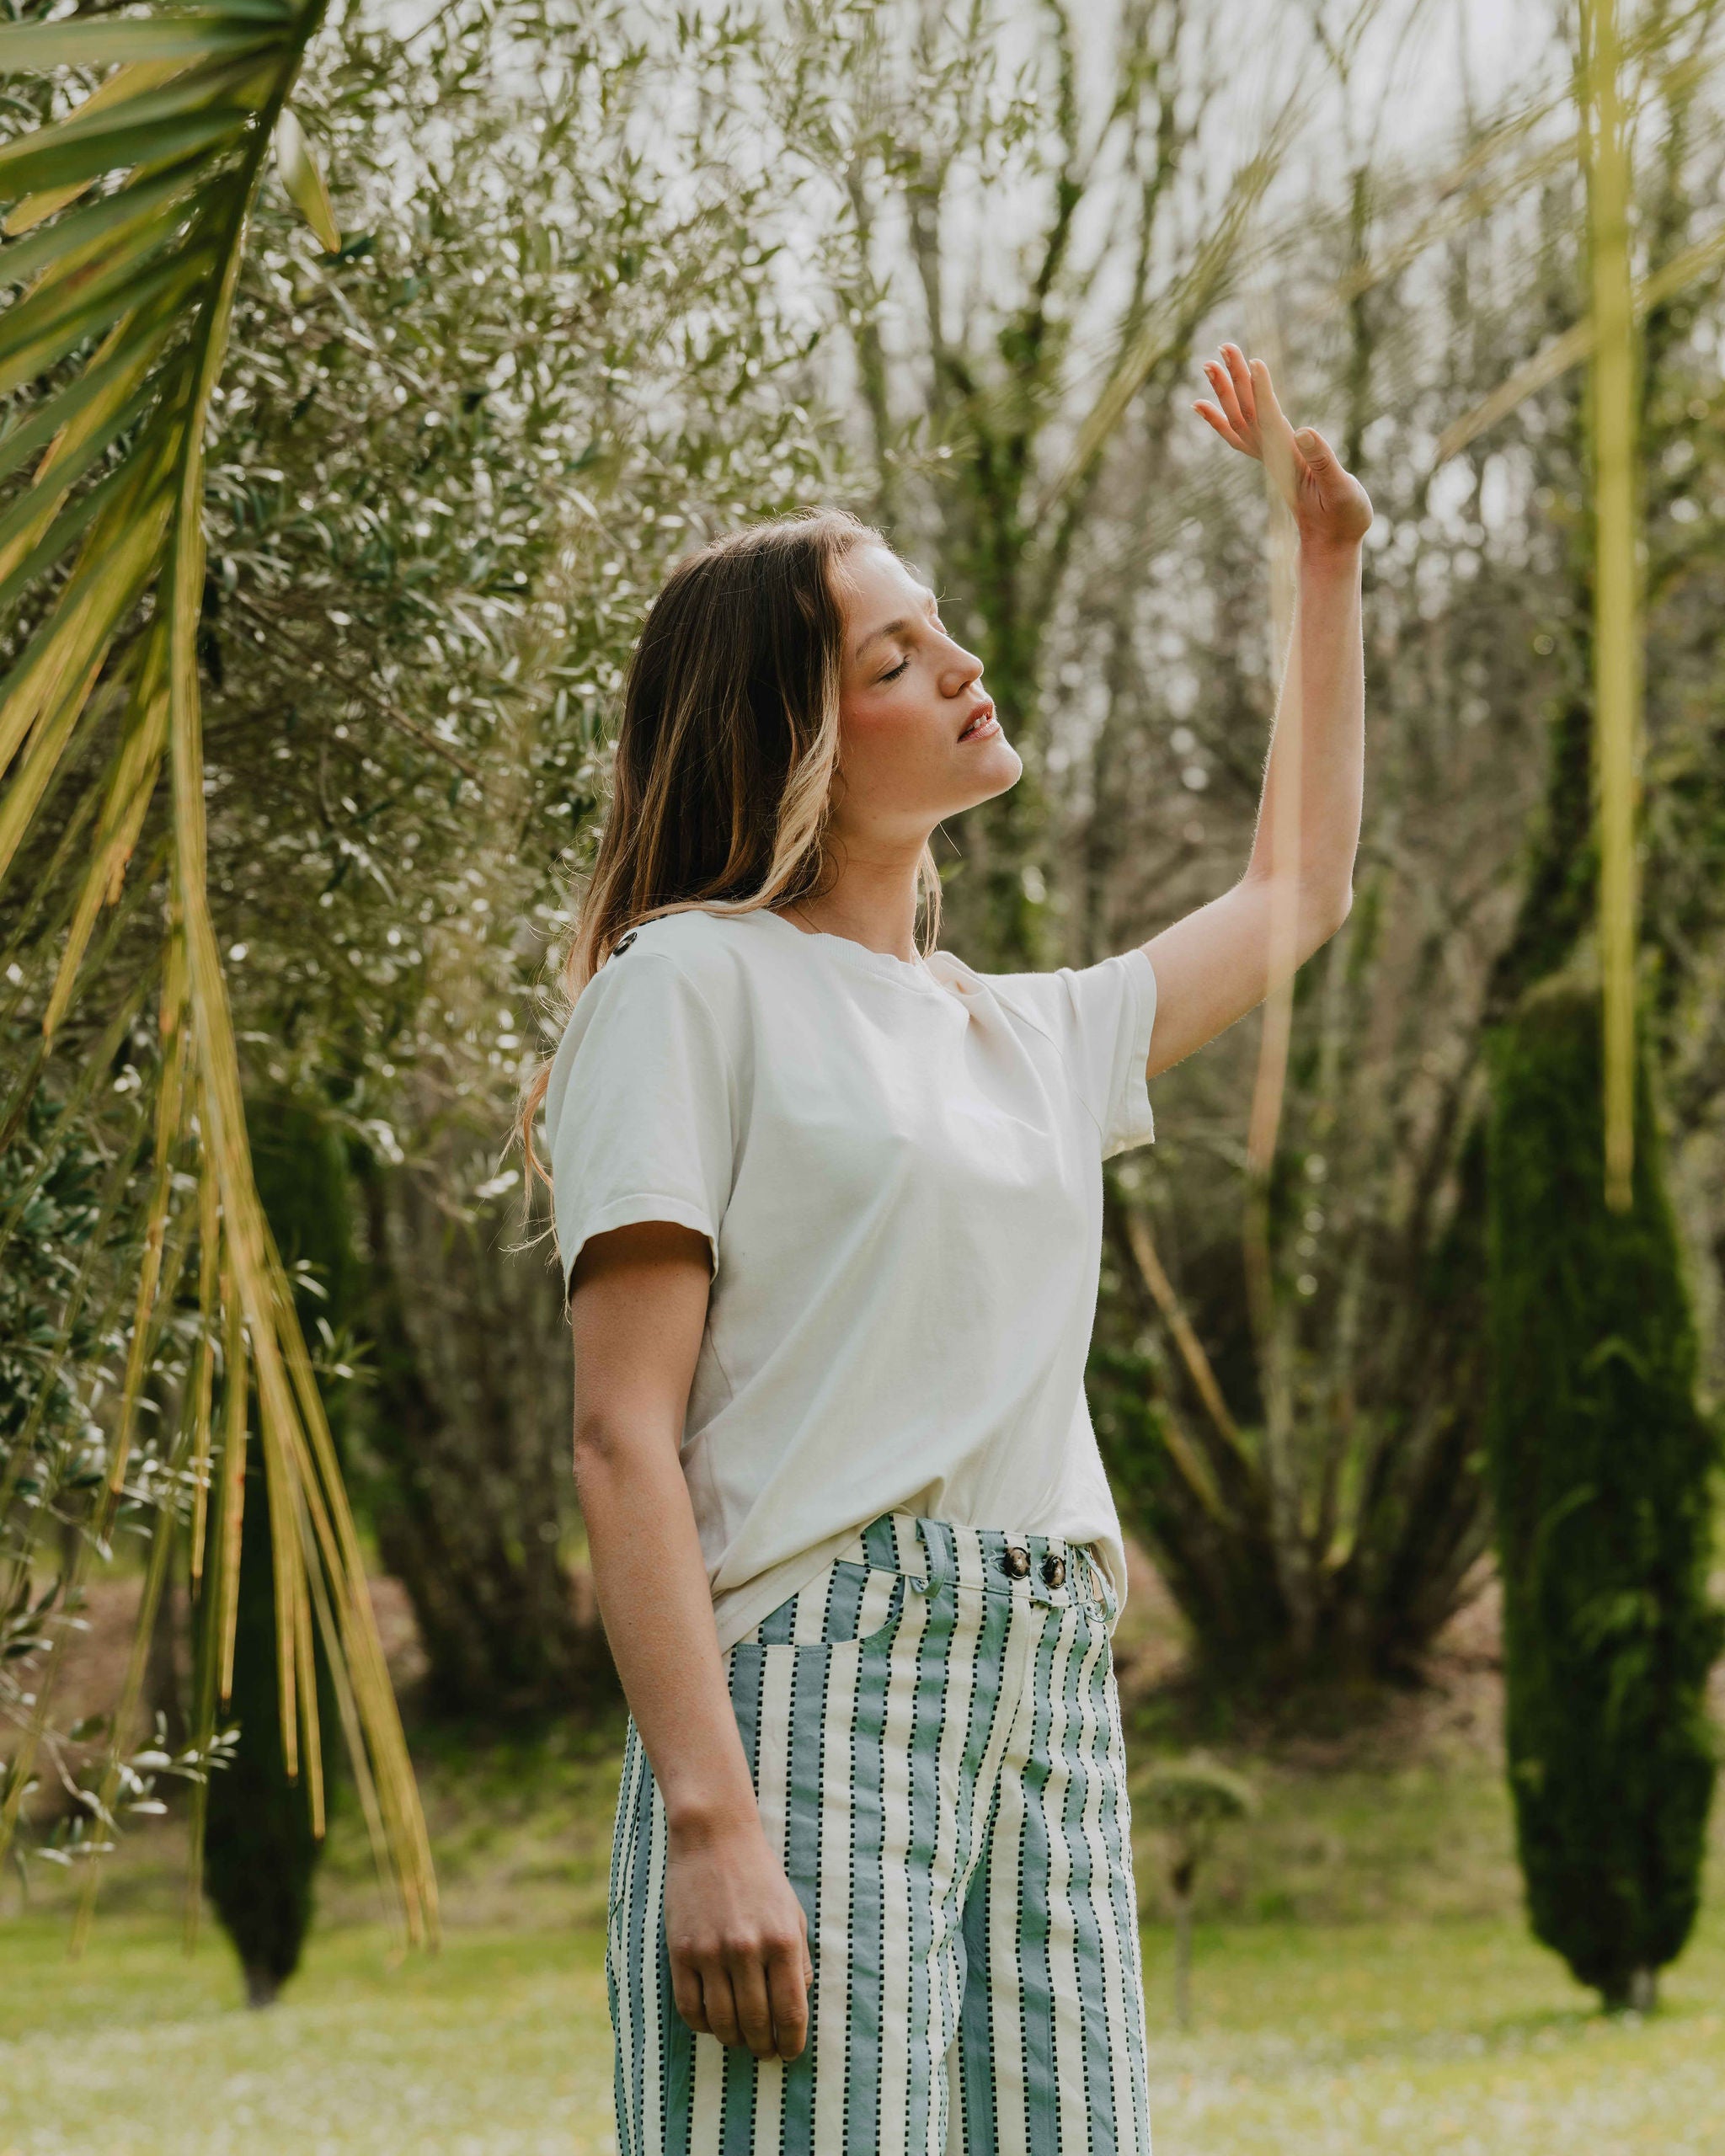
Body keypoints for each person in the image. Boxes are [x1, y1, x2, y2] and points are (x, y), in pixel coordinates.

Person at [516, 343, 1370, 2154]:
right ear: (793, 740)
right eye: (893, 659)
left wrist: (1323, 564)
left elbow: (1298, 886)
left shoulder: (1022, 1031)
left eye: (941, 633)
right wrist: (710, 1816)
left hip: (1046, 1685)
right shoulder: (687, 986)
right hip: (818, 1683)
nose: (961, 665)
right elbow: (619, 1434)